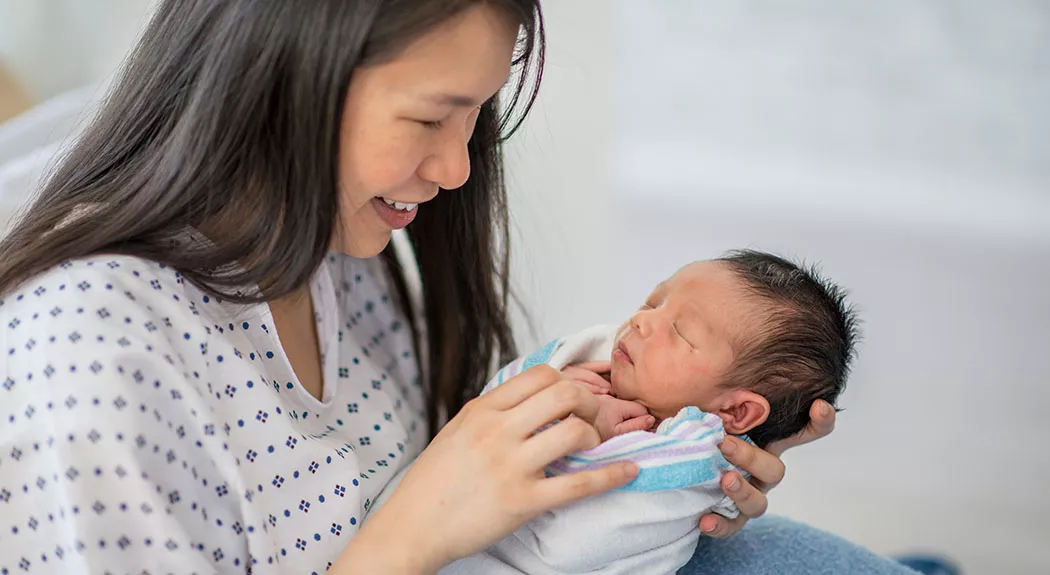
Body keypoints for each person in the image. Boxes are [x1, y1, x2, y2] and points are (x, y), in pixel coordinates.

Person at [0, 2, 916, 573]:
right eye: (434, 116)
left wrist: (676, 469)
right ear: (282, 79)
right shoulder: (91, 371)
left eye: (476, 115)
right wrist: (409, 537)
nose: (455, 169)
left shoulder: (330, 249)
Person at [385, 250, 860, 574]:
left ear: (735, 412)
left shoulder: (690, 460)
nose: (639, 321)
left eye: (681, 332)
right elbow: (485, 421)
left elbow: (580, 538)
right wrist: (555, 400)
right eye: (651, 302)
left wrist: (591, 437)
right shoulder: (587, 374)